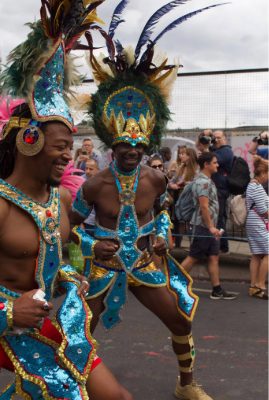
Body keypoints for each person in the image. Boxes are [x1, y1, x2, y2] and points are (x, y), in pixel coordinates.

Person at [69, 2, 224, 398]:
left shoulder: (155, 178)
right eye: (124, 147)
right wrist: (91, 244)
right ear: (113, 143)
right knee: (80, 328)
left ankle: (186, 385)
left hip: (142, 261)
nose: (131, 153)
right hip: (104, 268)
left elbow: (163, 212)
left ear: (146, 145)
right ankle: (73, 386)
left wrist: (163, 235)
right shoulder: (94, 185)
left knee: (180, 320)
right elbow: (70, 226)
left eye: (138, 147)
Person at [0, 2, 132, 399]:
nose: (67, 156)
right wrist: (7, 313)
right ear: (29, 140)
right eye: (59, 146)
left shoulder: (58, 199)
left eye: (70, 147)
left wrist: (92, 250)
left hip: (47, 322)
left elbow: (61, 248)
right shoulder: (2, 206)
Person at [181, 152, 237, 300]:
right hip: (202, 227)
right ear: (206, 165)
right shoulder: (203, 182)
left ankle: (217, 290)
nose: (217, 165)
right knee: (193, 257)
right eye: (214, 162)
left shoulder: (206, 180)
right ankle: (172, 283)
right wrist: (211, 227)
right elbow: (203, 207)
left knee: (213, 257)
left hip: (208, 226)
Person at [245, 156, 269, 300]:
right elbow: (263, 210)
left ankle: (254, 286)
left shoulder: (253, 185)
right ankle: (260, 285)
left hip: (254, 222)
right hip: (258, 223)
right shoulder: (256, 187)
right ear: (264, 173)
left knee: (256, 254)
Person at [211, 130, 234, 253]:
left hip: (221, 190)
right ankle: (220, 246)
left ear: (224, 138)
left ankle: (223, 247)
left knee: (219, 218)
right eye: (214, 138)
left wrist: (207, 149)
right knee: (217, 218)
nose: (216, 140)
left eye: (218, 137)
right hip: (216, 189)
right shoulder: (215, 150)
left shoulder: (226, 151)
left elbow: (211, 160)